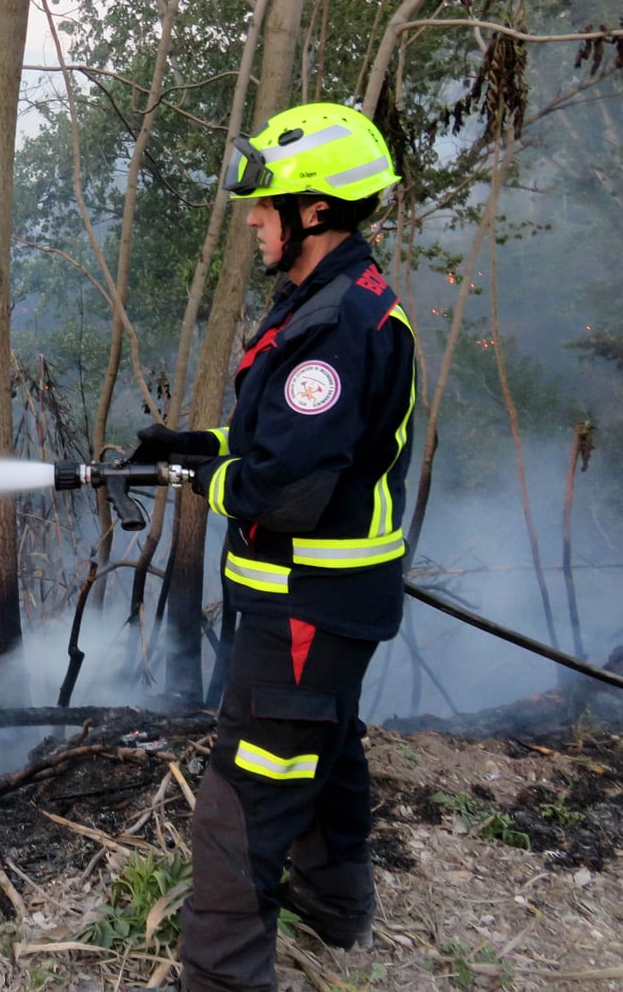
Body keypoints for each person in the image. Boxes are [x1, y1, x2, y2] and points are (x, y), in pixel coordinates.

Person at [130, 101, 416, 991]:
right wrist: (193, 445)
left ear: (317, 209)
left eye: (266, 202)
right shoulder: (338, 303)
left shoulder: (330, 330)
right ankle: (337, 910)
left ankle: (220, 979)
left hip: (302, 607)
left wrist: (199, 481)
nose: (253, 217)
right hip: (332, 610)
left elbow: (283, 491)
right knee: (324, 748)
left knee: (242, 803)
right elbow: (286, 444)